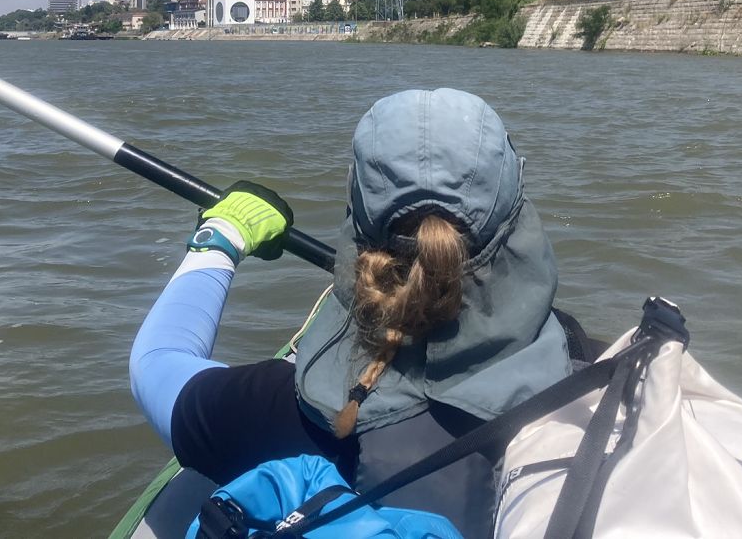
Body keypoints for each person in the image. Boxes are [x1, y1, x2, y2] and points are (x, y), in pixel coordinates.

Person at [129, 88, 584, 539]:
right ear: (516, 206)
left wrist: (221, 238)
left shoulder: (283, 412)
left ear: (354, 206)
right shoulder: (583, 375)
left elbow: (155, 362)